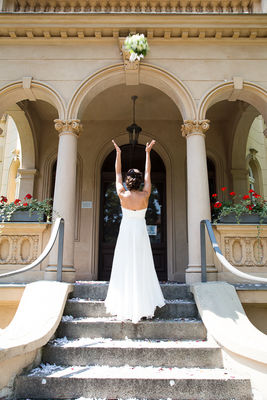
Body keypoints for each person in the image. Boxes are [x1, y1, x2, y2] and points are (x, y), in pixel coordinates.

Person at [104, 139, 165, 323]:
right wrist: (148, 152)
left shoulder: (122, 194)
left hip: (126, 232)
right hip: (140, 232)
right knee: (142, 265)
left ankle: (126, 304)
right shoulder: (146, 195)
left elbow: (116, 173)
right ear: (139, 183)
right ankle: (142, 305)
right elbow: (148, 173)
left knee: (125, 265)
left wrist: (118, 154)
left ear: (128, 181)